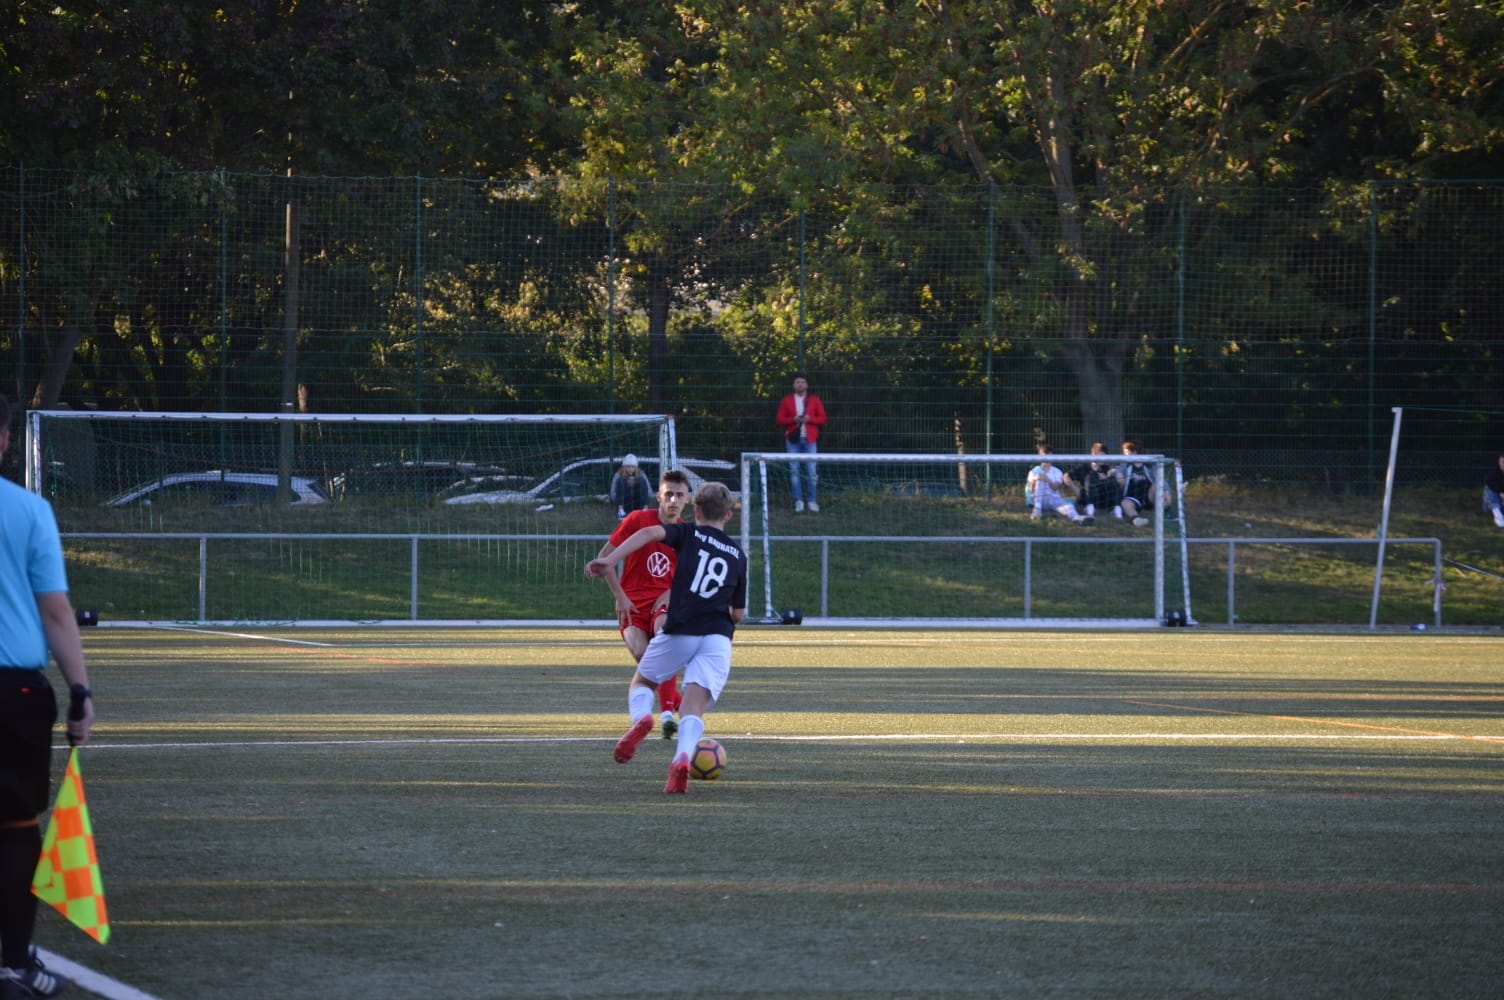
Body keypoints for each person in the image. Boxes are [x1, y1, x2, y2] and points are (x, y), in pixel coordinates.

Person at [0, 394, 94, 1000]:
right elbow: (56, 612)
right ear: (5, 439)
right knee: (13, 827)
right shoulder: (29, 510)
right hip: (12, 692)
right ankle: (14, 965)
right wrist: (81, 690)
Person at [585, 482, 748, 794]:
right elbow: (738, 613)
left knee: (643, 682)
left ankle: (644, 718)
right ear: (728, 515)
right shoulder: (738, 555)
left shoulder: (688, 533)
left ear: (696, 511)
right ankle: (683, 757)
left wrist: (610, 560)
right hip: (718, 637)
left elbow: (649, 533)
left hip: (683, 627)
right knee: (693, 707)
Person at [595, 469, 691, 739]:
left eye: (679, 495)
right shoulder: (637, 520)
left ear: (687, 500)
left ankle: (668, 714)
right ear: (658, 496)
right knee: (644, 657)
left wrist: (672, 592)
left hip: (663, 602)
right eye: (668, 494)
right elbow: (604, 558)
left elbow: (689, 578)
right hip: (632, 604)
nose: (673, 500)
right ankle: (683, 708)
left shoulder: (686, 534)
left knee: (663, 637)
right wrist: (620, 596)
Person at [775, 373, 827, 513]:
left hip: (810, 439)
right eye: (797, 382)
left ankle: (812, 501)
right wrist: (793, 419)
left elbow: (822, 419)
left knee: (812, 471)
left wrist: (810, 419)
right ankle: (798, 501)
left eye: (802, 382)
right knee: (794, 471)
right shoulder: (786, 401)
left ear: (806, 385)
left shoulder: (814, 400)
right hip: (793, 440)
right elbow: (779, 419)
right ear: (794, 385)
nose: (800, 384)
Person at [1026, 446, 1093, 524]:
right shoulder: (1034, 471)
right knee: (1040, 479)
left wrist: (1047, 479)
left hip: (1053, 499)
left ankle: (1077, 518)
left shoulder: (1057, 471)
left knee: (1069, 506)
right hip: (1039, 499)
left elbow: (1055, 488)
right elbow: (1031, 490)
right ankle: (1037, 511)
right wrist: (1035, 479)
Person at [1065, 442, 1125, 520]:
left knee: (1113, 481)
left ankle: (1116, 509)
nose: (1103, 458)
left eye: (1104, 456)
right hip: (1089, 497)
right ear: (1093, 455)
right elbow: (1066, 476)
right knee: (1090, 478)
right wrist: (1075, 489)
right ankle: (1089, 510)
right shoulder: (1084, 468)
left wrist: (1117, 475)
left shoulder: (1106, 468)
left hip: (1104, 498)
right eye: (1101, 456)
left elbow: (1117, 480)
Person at [1119, 439, 1171, 527]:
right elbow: (1117, 470)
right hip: (1133, 497)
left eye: (1126, 452)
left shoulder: (1149, 465)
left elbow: (1160, 478)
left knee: (1157, 485)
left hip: (1148, 496)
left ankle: (1166, 511)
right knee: (1125, 503)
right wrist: (1117, 473)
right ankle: (1136, 519)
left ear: (1134, 452)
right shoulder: (1125, 465)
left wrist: (1166, 491)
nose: (1124, 454)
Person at [609, 454, 652, 520]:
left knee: (642, 480)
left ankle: (645, 510)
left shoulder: (641, 474)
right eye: (628, 466)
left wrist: (636, 483)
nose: (630, 469)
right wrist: (626, 486)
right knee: (620, 481)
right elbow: (613, 494)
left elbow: (649, 492)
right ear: (624, 467)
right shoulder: (618, 475)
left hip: (638, 501)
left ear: (636, 467)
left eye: (632, 467)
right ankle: (621, 511)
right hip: (624, 502)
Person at [1485, 453, 1504, 529]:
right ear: (1499, 463)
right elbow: (1489, 482)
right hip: (1490, 506)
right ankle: (1498, 515)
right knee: (1489, 488)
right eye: (1502, 462)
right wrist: (1501, 493)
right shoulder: (1494, 473)